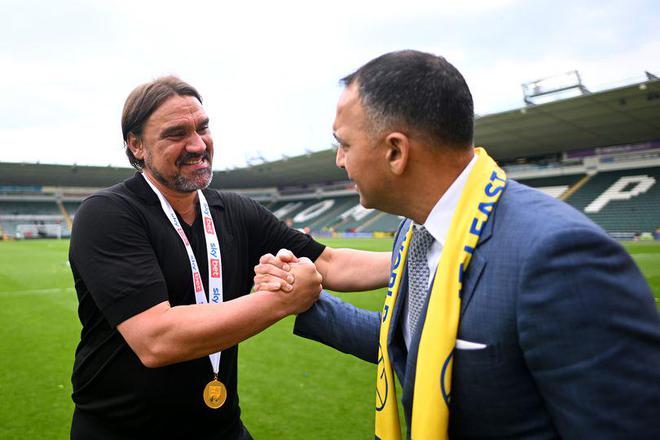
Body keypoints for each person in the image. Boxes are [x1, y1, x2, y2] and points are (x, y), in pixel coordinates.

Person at [255, 51, 660, 439]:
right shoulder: (415, 230)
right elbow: (413, 342)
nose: (340, 161)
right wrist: (304, 299)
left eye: (344, 144)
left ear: (395, 151)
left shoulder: (559, 256)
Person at [68, 76, 391, 439]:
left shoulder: (235, 211)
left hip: (222, 427)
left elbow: (329, 263)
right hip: (122, 432)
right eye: (176, 134)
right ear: (137, 145)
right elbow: (156, 339)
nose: (197, 144)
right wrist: (283, 299)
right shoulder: (108, 214)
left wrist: (418, 257)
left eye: (202, 128)